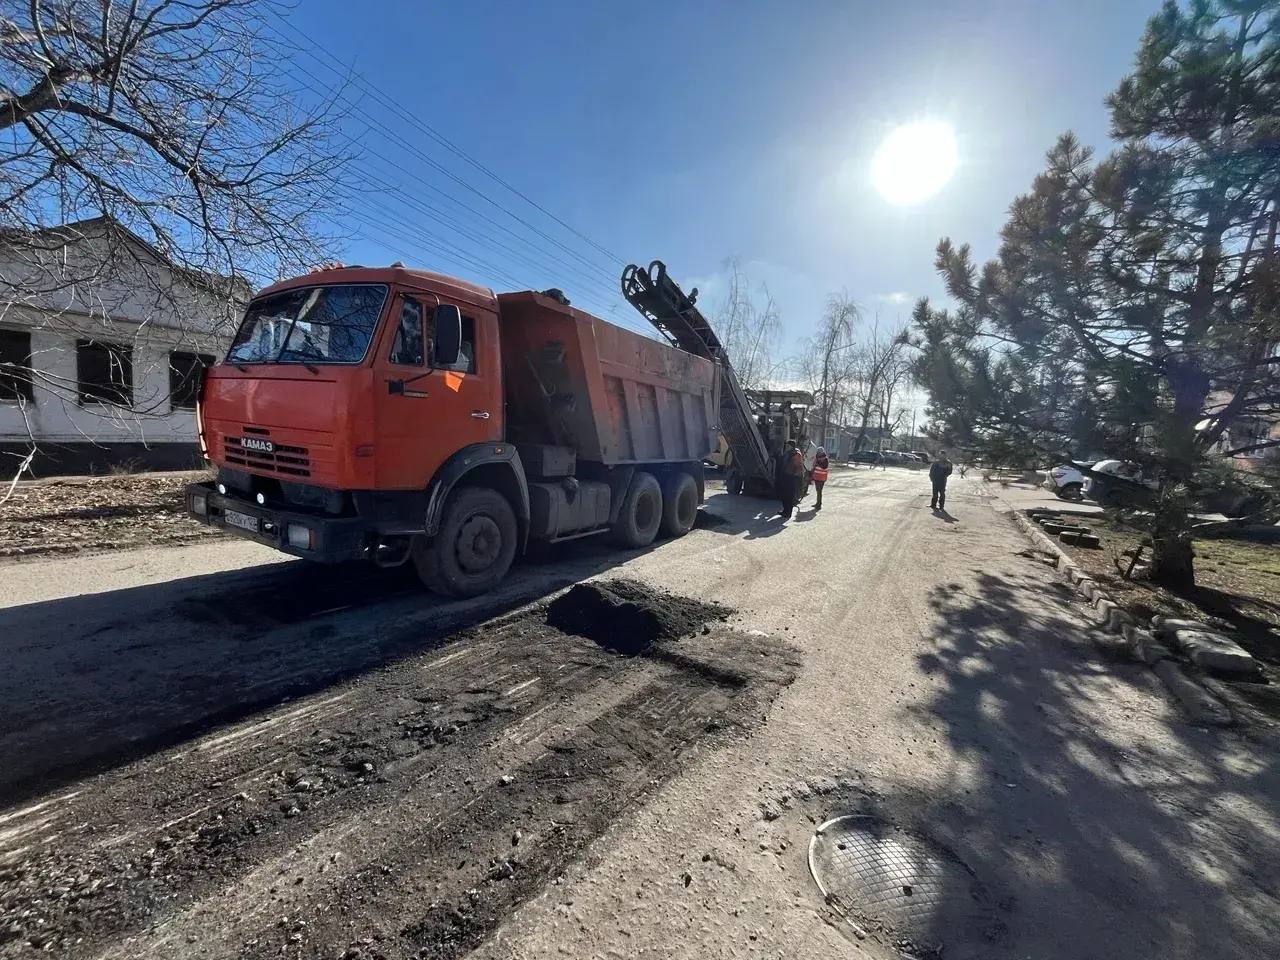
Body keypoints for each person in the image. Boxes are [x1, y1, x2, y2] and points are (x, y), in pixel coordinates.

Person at [776, 440, 806, 519]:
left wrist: (794, 475)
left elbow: (798, 467)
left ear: (792, 446)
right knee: (784, 495)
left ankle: (788, 513)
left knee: (789, 496)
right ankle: (785, 511)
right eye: (787, 445)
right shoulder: (787, 453)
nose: (787, 447)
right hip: (785, 476)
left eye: (788, 445)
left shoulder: (796, 454)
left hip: (791, 477)